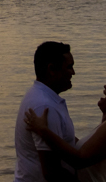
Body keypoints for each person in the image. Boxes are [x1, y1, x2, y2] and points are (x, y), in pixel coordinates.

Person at [25, 70, 106, 182]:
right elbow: (79, 148)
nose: (105, 86)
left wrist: (44, 131)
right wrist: (57, 128)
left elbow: (79, 160)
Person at [15, 41, 77, 182]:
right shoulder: (44, 106)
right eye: (69, 67)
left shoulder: (41, 97)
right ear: (51, 69)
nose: (73, 72)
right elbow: (51, 172)